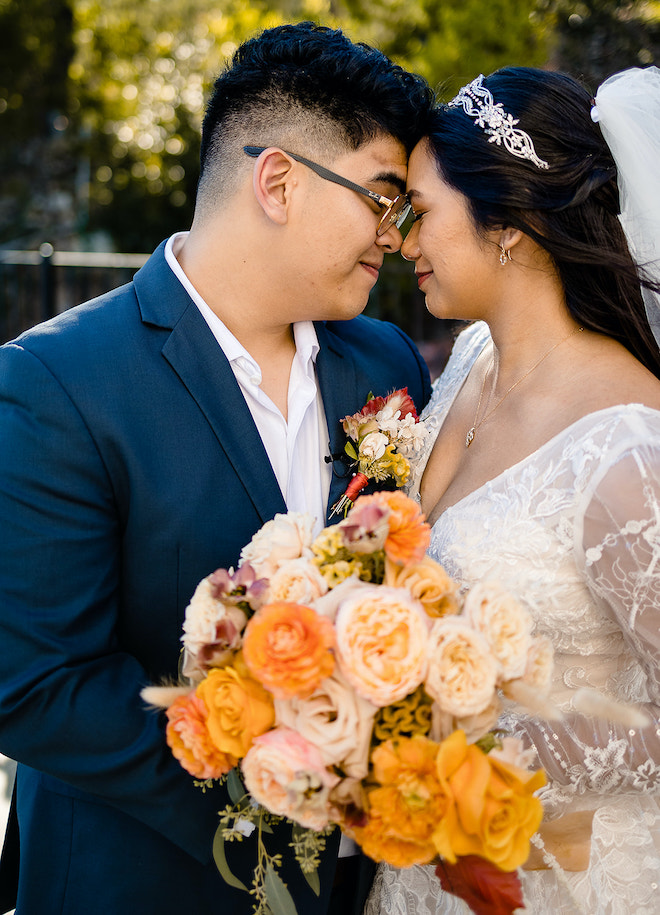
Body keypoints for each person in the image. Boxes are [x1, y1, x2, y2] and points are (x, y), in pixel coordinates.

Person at [0, 21, 433, 914]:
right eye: (383, 198)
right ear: (279, 181)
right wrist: (290, 783)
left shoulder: (388, 363)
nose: (394, 235)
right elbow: (37, 685)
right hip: (136, 882)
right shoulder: (53, 383)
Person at [364, 66, 660, 914]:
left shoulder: (628, 446)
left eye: (421, 209)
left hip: (563, 876)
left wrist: (493, 756)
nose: (403, 240)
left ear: (508, 226)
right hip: (423, 867)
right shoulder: (469, 364)